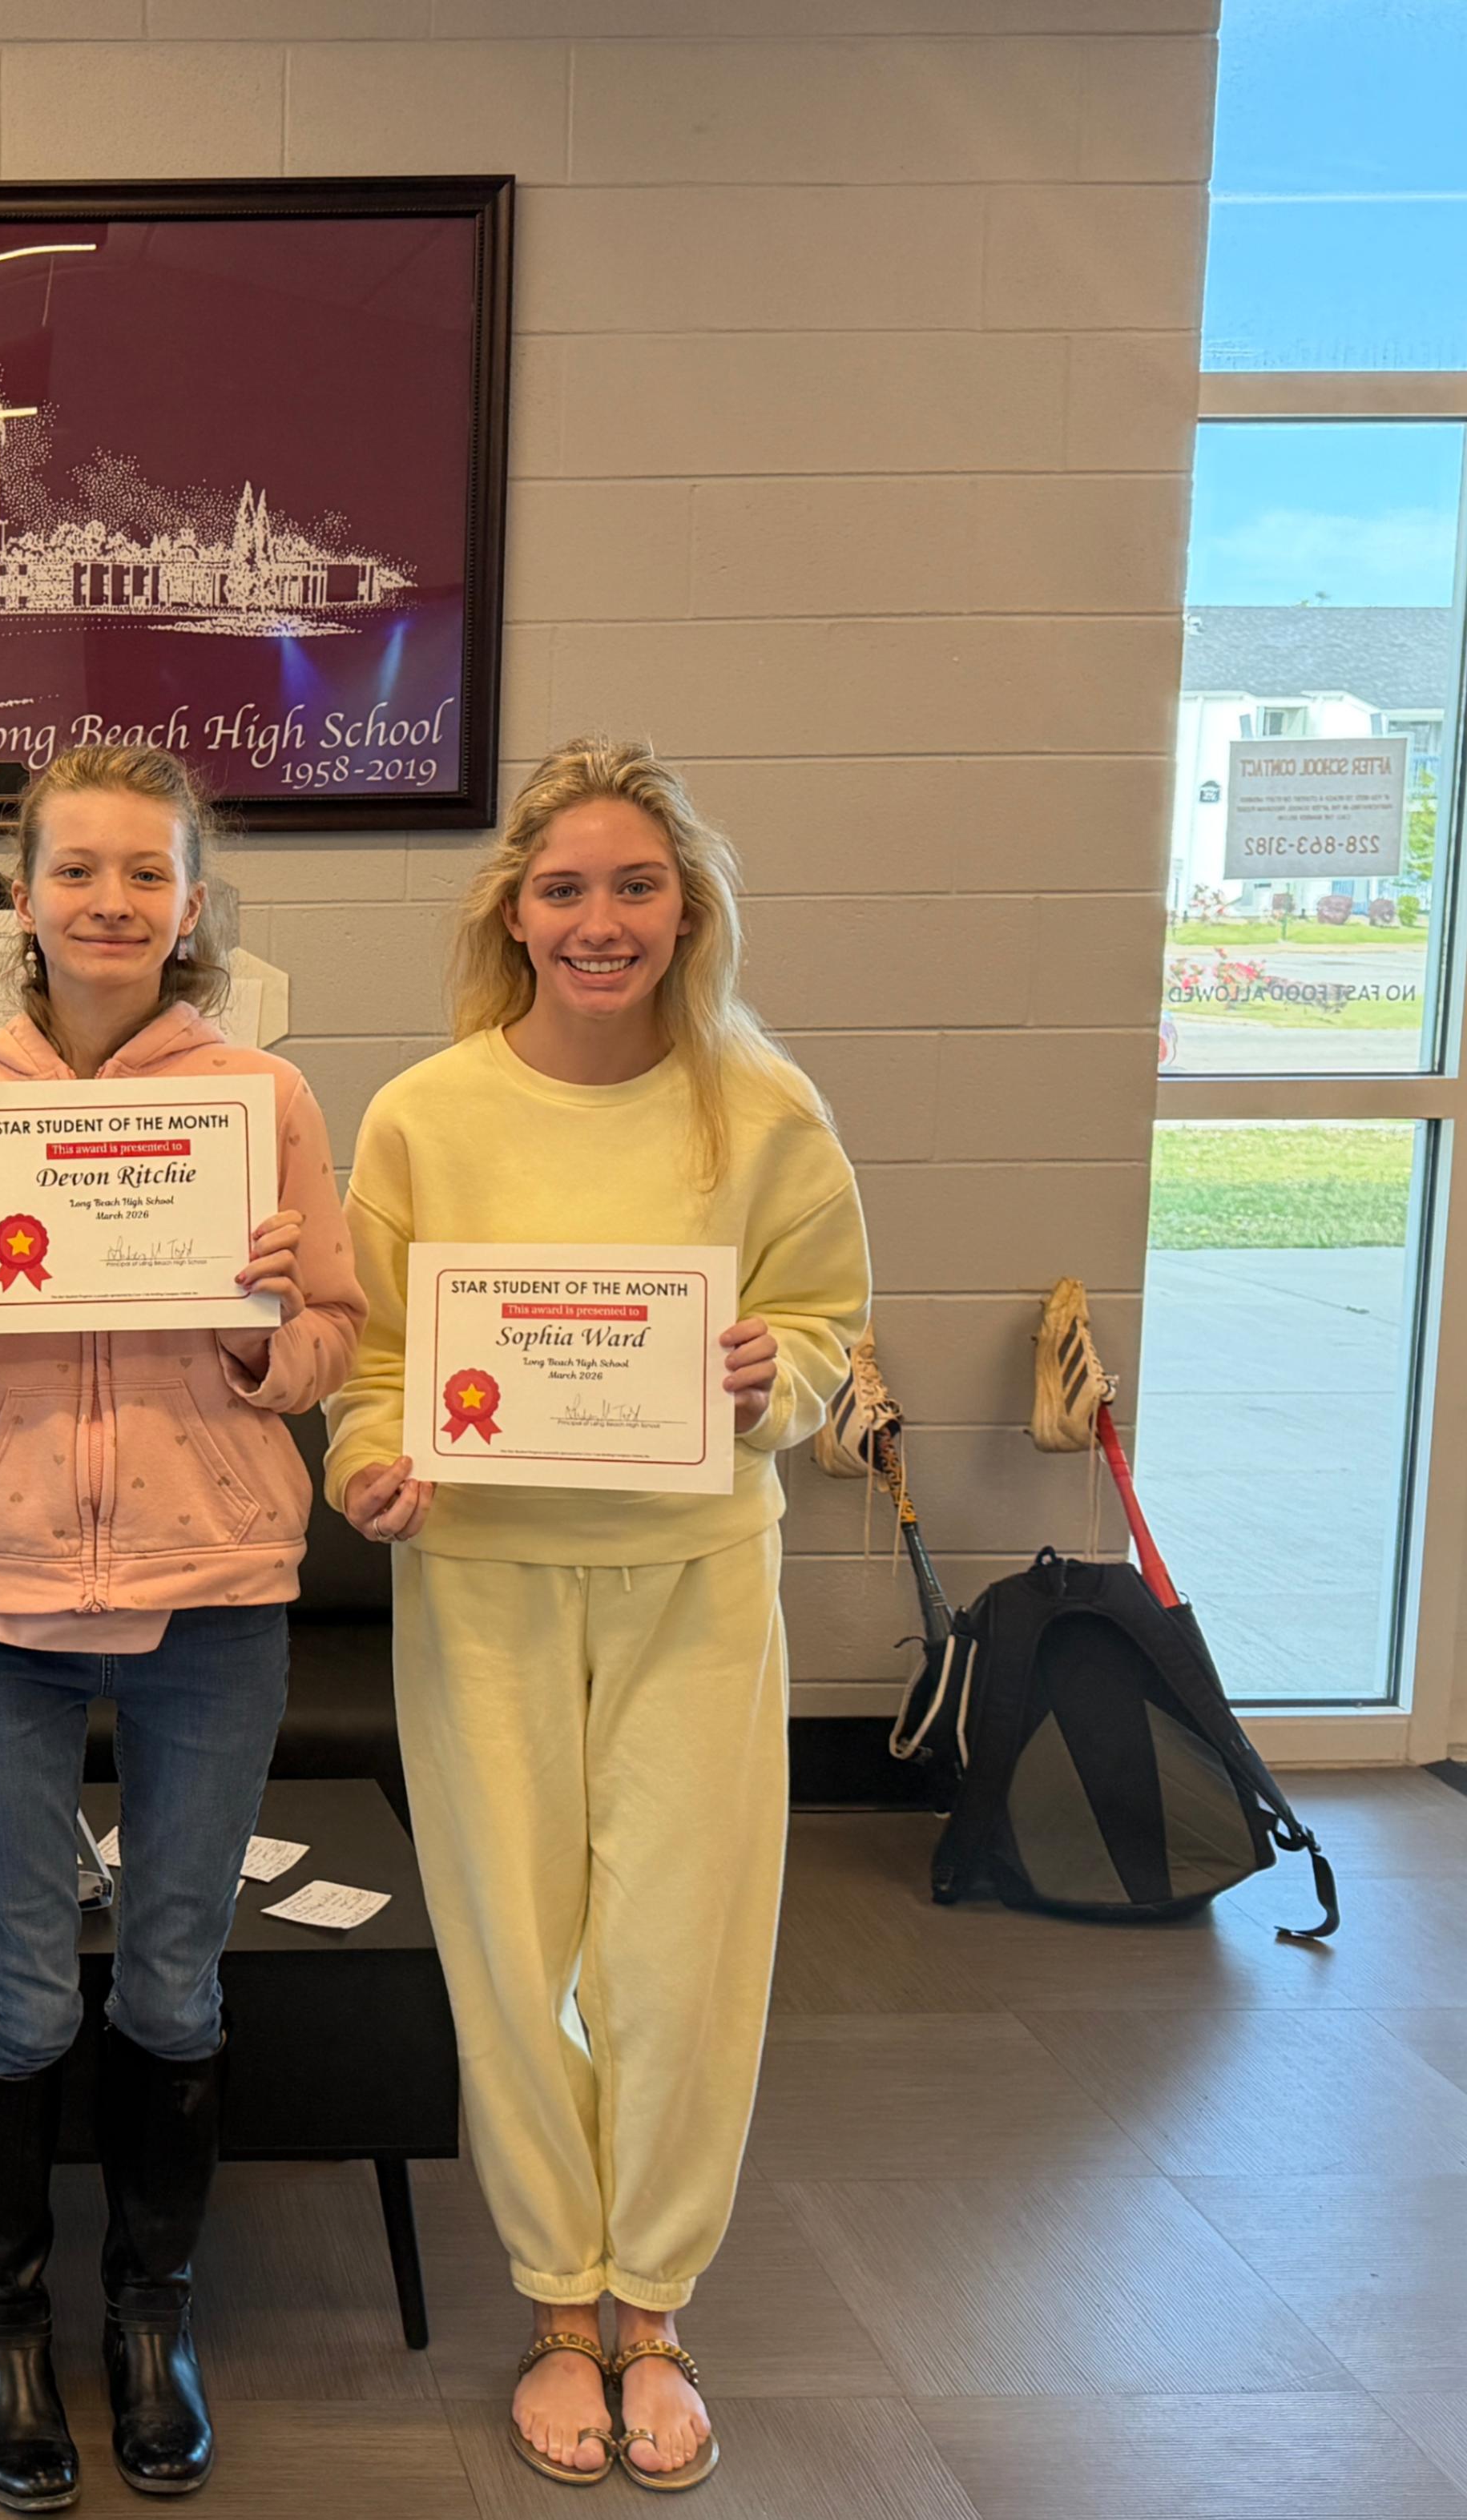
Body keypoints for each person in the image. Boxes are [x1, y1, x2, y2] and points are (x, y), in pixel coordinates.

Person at [324, 736, 869, 2494]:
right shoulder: (424, 1111)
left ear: (686, 905)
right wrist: (361, 1462)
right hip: (479, 1581)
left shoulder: (761, 1104)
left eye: (634, 884)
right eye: (562, 887)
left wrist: (761, 1374)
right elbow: (377, 1356)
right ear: (512, 910)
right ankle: (559, 2296)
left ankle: (655, 2303)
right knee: (508, 1945)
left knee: (675, 1955)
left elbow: (821, 1332)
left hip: (692, 1577)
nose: (598, 919)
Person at [0, 746, 361, 2510]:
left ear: (190, 903)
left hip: (210, 1591)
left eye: (143, 874)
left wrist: (256, 1335)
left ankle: (150, 2314)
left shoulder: (262, 1101)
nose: (107, 903)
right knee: (13, 1975)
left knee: (167, 1970)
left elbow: (328, 1350)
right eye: (74, 870)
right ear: (22, 891)